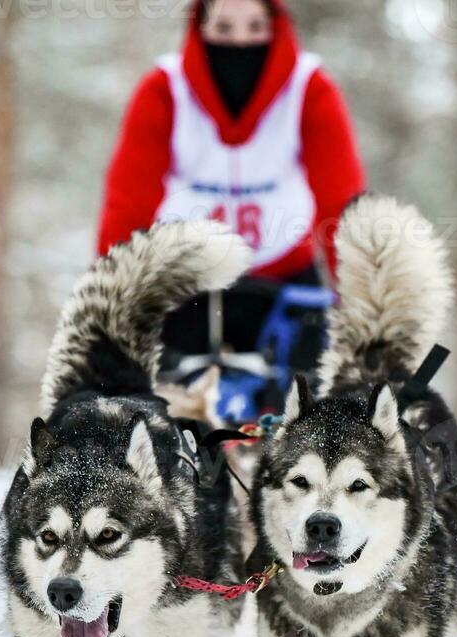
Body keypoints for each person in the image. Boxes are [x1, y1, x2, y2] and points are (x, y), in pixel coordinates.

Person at [97, 0, 367, 372]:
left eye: (255, 28)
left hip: (284, 278)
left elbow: (341, 202)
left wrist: (362, 302)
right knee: (168, 408)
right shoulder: (163, 90)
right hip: (185, 284)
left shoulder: (310, 90)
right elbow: (128, 203)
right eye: (224, 29)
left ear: (275, 26)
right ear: (200, 27)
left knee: (305, 407)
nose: (241, 43)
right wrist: (112, 304)